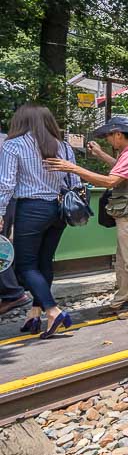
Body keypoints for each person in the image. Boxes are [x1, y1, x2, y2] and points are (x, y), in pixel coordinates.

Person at [46, 117, 128, 320]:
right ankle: (123, 299)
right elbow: (121, 169)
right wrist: (100, 154)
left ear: (118, 134)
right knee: (125, 261)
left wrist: (73, 168)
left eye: (109, 135)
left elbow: (110, 181)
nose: (108, 140)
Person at [0, 105, 77, 337]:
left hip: (31, 209)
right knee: (44, 262)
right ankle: (34, 313)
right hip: (58, 209)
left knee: (25, 267)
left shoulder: (13, 145)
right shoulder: (62, 146)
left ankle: (53, 311)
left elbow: (5, 184)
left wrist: (0, 212)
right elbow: (73, 181)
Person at [0, 120, 31, 316]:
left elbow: (6, 181)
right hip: (10, 200)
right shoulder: (8, 141)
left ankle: (12, 292)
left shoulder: (8, 143)